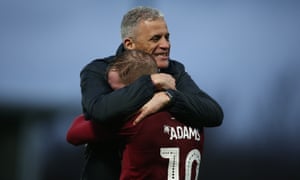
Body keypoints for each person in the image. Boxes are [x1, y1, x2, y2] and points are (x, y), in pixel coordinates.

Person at [79, 6, 223, 180]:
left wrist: (169, 97)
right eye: (156, 38)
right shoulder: (98, 71)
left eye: (167, 37)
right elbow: (101, 111)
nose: (166, 45)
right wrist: (152, 82)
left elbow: (214, 113)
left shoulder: (174, 70)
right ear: (129, 44)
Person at [67, 50, 204, 179]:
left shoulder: (136, 118)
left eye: (119, 92)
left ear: (137, 87)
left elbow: (73, 134)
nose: (113, 97)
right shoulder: (195, 118)